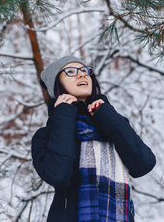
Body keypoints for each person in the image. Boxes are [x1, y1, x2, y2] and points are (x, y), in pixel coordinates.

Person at [31, 55, 156, 222]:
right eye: (71, 71)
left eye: (85, 70)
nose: (82, 74)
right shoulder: (45, 136)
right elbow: (58, 175)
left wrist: (106, 114)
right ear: (56, 83)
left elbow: (144, 164)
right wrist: (63, 113)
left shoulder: (110, 125)